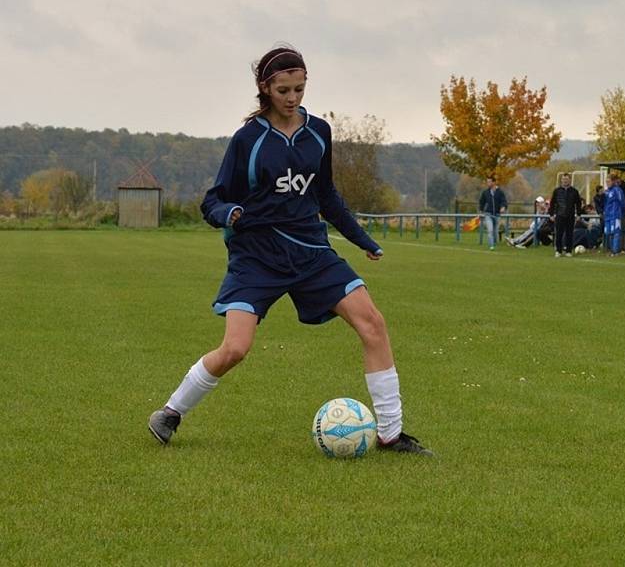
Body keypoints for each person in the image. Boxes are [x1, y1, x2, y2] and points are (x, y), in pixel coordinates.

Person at [147, 45, 433, 456]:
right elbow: (212, 201)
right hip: (258, 256)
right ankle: (171, 413)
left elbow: (326, 195)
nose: (293, 98)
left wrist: (363, 240)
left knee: (372, 323)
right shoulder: (248, 140)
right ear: (265, 88)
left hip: (311, 252)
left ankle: (391, 434)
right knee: (235, 349)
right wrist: (231, 213)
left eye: (299, 88)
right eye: (283, 89)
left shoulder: (319, 132)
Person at [548, 173, 582, 257]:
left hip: (570, 215)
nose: (565, 181)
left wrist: (578, 214)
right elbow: (552, 203)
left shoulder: (574, 191)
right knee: (559, 233)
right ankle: (558, 251)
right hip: (560, 215)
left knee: (569, 234)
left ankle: (568, 251)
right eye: (563, 179)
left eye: (567, 179)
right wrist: (551, 214)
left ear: (570, 180)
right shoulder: (557, 191)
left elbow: (578, 203)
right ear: (561, 180)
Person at [478, 176, 507, 250]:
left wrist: (503, 207)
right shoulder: (486, 192)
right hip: (488, 214)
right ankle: (491, 245)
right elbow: (482, 202)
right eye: (487, 182)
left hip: (497, 215)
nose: (488, 183)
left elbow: (504, 201)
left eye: (489, 181)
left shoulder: (500, 192)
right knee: (490, 230)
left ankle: (494, 243)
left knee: (495, 232)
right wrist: (481, 211)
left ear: (494, 182)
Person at [603, 174, 625, 256]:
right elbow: (604, 204)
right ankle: (611, 250)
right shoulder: (606, 192)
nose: (607, 183)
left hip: (615, 215)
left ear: (613, 181)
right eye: (606, 182)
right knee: (608, 233)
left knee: (616, 232)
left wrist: (621, 212)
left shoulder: (617, 190)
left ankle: (615, 251)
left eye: (608, 181)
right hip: (607, 216)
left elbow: (622, 202)